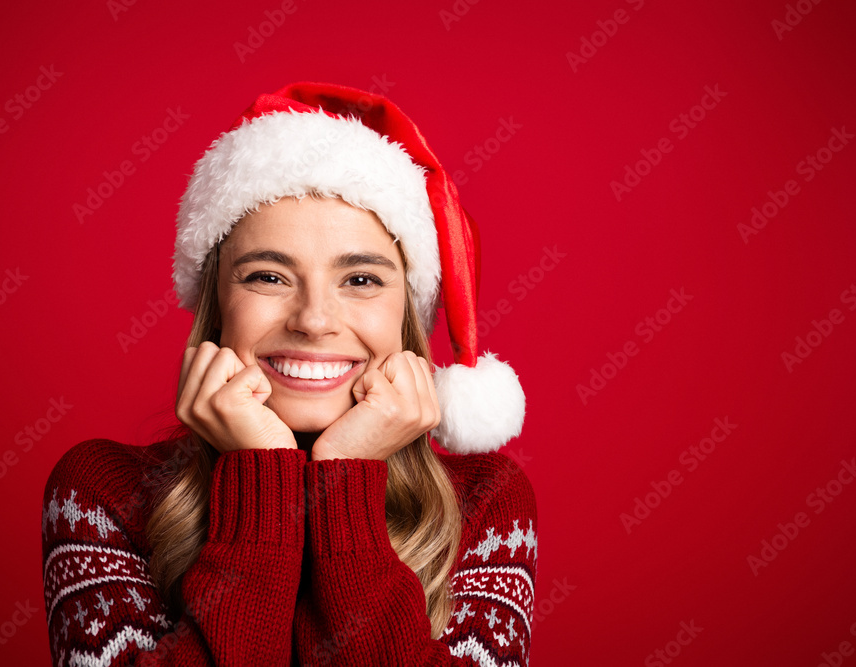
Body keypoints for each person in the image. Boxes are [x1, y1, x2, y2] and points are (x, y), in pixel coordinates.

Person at [41, 81, 537, 666]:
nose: (314, 320)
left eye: (360, 280)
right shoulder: (100, 493)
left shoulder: (484, 504)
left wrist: (346, 480)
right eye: (268, 277)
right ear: (216, 305)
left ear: (407, 311)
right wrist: (261, 484)